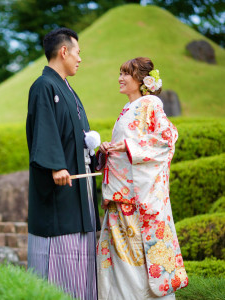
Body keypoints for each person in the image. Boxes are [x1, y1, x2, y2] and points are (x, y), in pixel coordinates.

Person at [96, 57, 188, 299]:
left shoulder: (151, 103)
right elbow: (127, 148)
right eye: (120, 73)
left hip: (137, 199)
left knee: (135, 260)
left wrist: (127, 146)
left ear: (141, 80)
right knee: (120, 261)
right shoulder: (129, 108)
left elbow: (167, 138)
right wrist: (109, 149)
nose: (120, 78)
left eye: (126, 73)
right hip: (121, 195)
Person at [26, 27, 101, 300]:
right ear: (64, 51)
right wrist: (56, 165)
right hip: (60, 187)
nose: (80, 59)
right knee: (61, 262)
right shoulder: (44, 86)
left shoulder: (68, 89)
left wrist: (96, 152)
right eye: (78, 53)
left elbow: (79, 137)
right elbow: (44, 130)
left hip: (80, 187)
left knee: (83, 261)